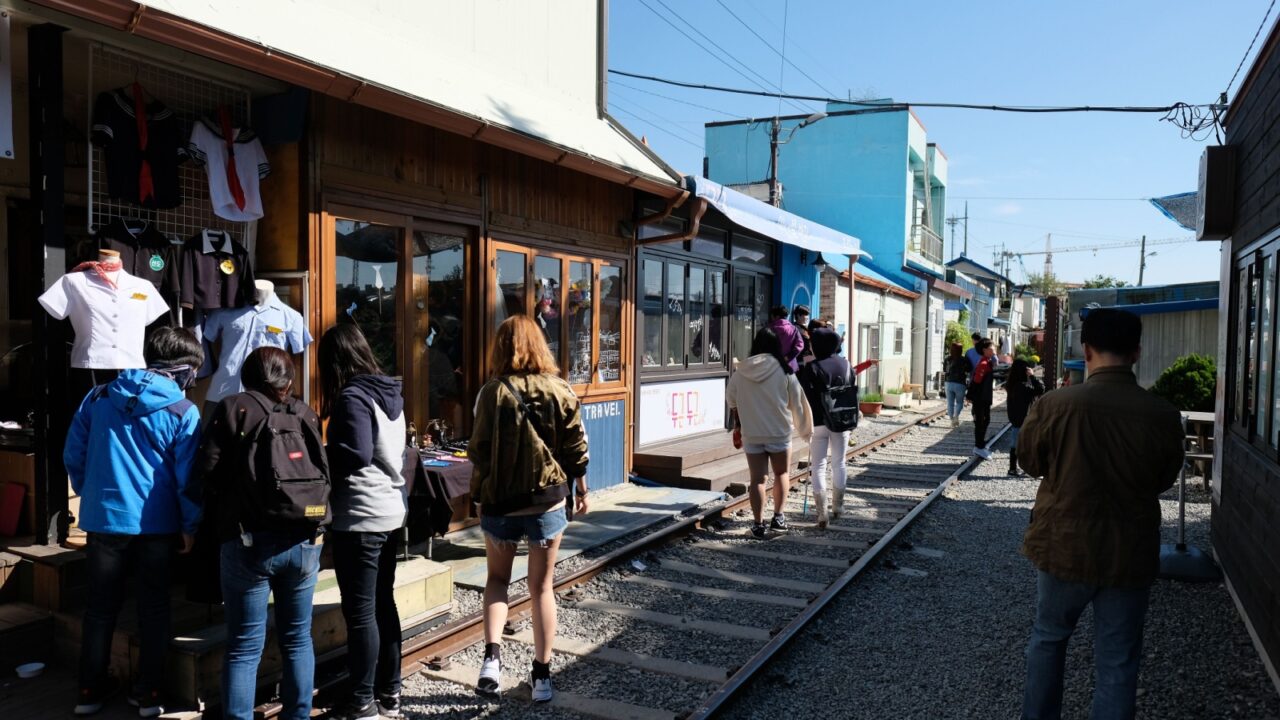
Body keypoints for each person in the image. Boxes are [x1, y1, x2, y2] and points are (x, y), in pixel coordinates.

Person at [1018, 308, 1184, 720]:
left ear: (1085, 349)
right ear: (1137, 353)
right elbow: (1164, 477)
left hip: (1062, 544)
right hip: (1130, 549)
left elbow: (1030, 463)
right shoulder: (1162, 413)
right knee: (1118, 659)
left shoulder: (1055, 404)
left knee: (1049, 639)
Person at [65, 327, 204, 718]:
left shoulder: (98, 396)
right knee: (154, 608)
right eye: (193, 371)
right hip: (156, 525)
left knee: (99, 608)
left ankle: (88, 690)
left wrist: (89, 491)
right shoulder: (182, 410)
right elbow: (187, 479)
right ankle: (149, 694)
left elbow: (73, 452)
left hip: (103, 520)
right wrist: (190, 526)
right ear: (183, 370)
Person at [196, 347, 329, 720]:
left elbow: (207, 469)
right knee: (298, 637)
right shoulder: (305, 413)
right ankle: (298, 715)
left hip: (247, 541)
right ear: (288, 379)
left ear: (248, 376)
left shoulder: (233, 407)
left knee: (243, 645)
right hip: (304, 541)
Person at [469, 315, 589, 703]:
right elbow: (575, 448)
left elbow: (479, 452)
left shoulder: (491, 392)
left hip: (500, 501)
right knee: (541, 588)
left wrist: (477, 496)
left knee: (497, 581)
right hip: (547, 500)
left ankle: (491, 661)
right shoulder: (560, 389)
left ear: (501, 347)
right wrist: (582, 487)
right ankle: (542, 677)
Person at [320, 325, 410, 720]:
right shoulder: (390, 394)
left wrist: (318, 457)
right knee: (382, 604)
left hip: (361, 516)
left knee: (360, 613)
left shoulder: (353, 397)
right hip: (389, 509)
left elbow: (354, 453)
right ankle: (389, 693)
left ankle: (362, 701)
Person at [727, 327, 814, 538]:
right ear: (777, 346)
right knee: (781, 474)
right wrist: (805, 429)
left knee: (757, 479)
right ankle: (778, 518)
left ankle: (757, 525)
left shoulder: (741, 371)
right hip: (779, 434)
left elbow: (731, 399)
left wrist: (738, 425)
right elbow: (798, 403)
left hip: (752, 434)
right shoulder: (784, 371)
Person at [797, 327, 876, 527]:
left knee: (818, 466)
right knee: (839, 463)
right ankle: (838, 507)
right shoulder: (846, 364)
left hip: (818, 422)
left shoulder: (812, 367)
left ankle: (822, 514)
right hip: (842, 420)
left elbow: (803, 394)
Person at [1003, 358, 1044, 477]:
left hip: (1015, 420)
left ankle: (1012, 469)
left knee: (1014, 445)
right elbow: (1040, 389)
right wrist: (1032, 376)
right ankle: (1029, 469)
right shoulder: (1023, 387)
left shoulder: (1011, 384)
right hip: (1025, 420)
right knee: (1030, 446)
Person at [967, 338, 997, 457]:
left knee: (985, 420)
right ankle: (978, 446)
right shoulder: (984, 364)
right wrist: (969, 396)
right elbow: (976, 381)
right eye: (992, 347)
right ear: (985, 350)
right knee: (981, 422)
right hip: (980, 398)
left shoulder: (988, 362)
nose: (994, 349)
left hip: (985, 397)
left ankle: (981, 445)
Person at [767, 304, 805, 373]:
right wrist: (788, 357)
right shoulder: (793, 329)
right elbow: (800, 345)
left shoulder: (769, 329)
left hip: (771, 366)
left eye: (772, 316)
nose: (771, 318)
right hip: (789, 366)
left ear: (777, 316)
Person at [943, 342, 971, 428]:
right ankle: (956, 417)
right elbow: (969, 369)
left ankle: (952, 420)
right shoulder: (964, 360)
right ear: (961, 350)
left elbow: (944, 370)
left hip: (948, 383)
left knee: (950, 403)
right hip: (960, 384)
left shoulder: (947, 359)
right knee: (959, 403)